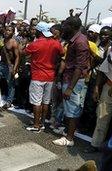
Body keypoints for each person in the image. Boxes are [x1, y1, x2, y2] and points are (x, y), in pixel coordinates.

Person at [53, 15, 91, 146]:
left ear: (73, 27)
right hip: (69, 79)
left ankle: (69, 139)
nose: (63, 27)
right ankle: (68, 133)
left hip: (74, 82)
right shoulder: (74, 39)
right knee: (69, 109)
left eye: (66, 25)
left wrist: (70, 88)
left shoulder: (80, 41)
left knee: (73, 111)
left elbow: (80, 67)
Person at [24, 22, 64, 133]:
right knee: (46, 102)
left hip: (37, 76)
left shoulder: (36, 43)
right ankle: (41, 123)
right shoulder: (56, 43)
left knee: (36, 102)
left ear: (39, 31)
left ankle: (36, 126)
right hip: (50, 76)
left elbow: (24, 53)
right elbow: (62, 53)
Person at [84, 27, 112, 153]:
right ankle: (95, 144)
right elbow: (103, 70)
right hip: (108, 87)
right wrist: (96, 88)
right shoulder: (111, 50)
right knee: (102, 117)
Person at [0, 25, 20, 108]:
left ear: (13, 33)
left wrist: (15, 68)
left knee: (10, 84)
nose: (7, 32)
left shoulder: (14, 43)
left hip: (10, 66)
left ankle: (9, 101)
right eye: (6, 30)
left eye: (9, 30)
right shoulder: (2, 41)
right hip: (1, 64)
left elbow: (17, 57)